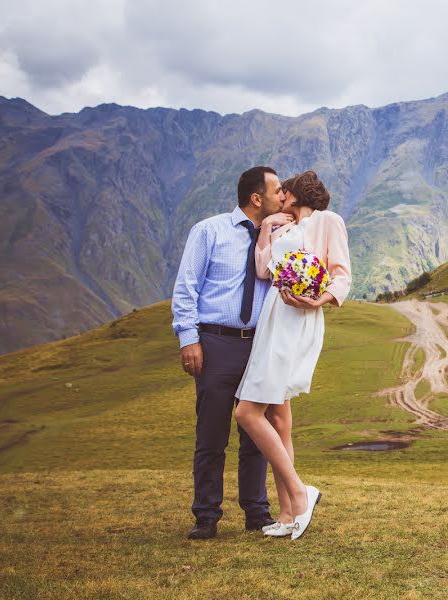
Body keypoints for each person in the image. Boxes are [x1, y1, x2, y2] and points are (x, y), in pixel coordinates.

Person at [171, 166, 288, 540]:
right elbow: (186, 287)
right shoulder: (209, 231)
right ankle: (206, 515)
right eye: (277, 191)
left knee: (256, 429)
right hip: (217, 342)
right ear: (257, 198)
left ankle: (257, 512)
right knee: (211, 434)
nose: (282, 197)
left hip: (260, 344)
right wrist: (189, 338)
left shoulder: (278, 235)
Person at [234, 170, 351, 540]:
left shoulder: (327, 222)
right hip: (273, 316)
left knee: (247, 412)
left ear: (297, 193)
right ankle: (286, 513)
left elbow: (342, 274)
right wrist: (267, 227)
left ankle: (300, 494)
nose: (278, 195)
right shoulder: (281, 228)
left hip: (297, 318)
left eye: (283, 190)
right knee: (280, 418)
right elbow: (262, 269)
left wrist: (320, 298)